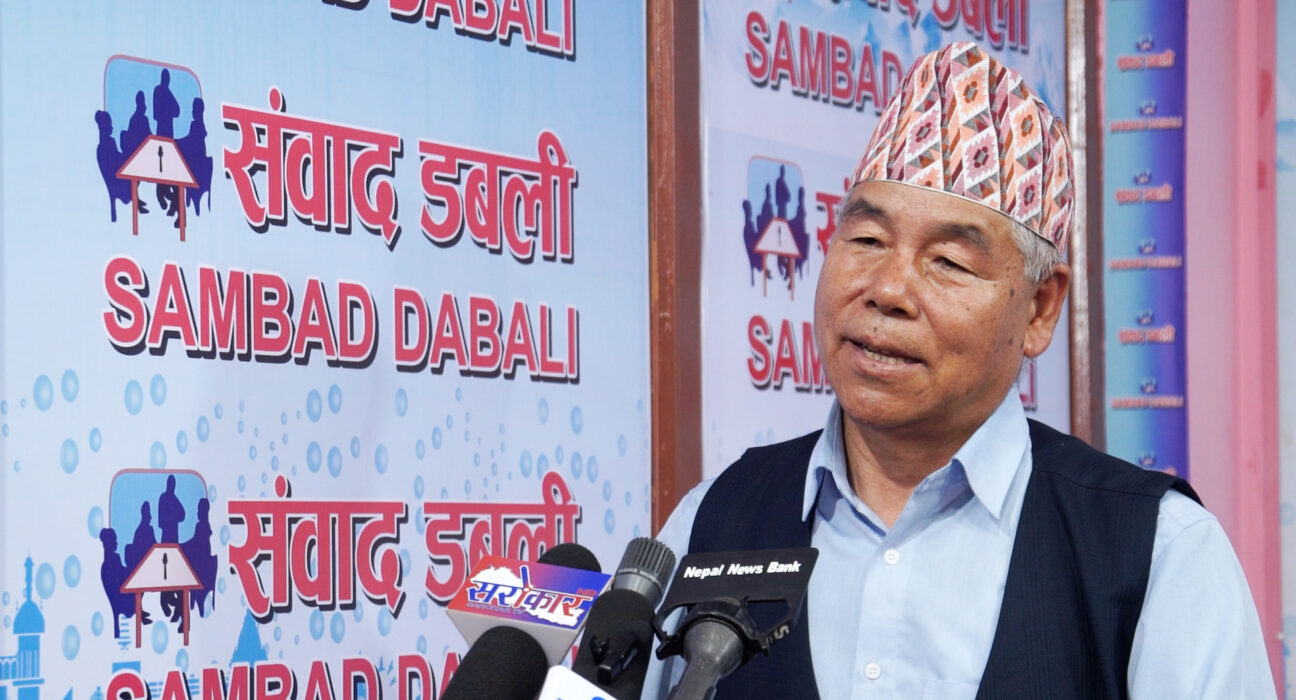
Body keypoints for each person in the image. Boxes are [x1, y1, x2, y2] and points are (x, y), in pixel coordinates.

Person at [644, 42, 1273, 699]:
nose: (888, 289)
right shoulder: (715, 520)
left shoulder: (1157, 553)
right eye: (866, 240)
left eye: (948, 261)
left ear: (1040, 308)